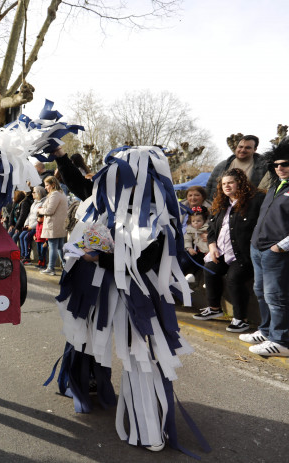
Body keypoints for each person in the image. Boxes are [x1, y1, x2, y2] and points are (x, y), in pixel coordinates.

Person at [52, 146, 198, 454]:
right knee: (81, 332)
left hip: (135, 297)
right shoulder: (108, 200)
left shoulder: (159, 215)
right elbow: (82, 186)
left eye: (120, 176)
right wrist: (61, 156)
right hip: (98, 289)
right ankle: (81, 382)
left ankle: (149, 428)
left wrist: (98, 259)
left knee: (138, 354)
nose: (113, 182)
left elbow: (144, 263)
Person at [243, 135, 289, 356]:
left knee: (277, 296)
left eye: (286, 163)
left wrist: (281, 247)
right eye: (276, 164)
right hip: (259, 248)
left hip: (280, 252)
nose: (279, 167)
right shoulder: (275, 185)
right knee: (261, 292)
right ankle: (266, 331)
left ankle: (281, 342)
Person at [192, 169, 263, 334]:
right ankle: (215, 308)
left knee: (234, 278)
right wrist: (212, 245)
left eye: (230, 182)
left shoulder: (256, 201)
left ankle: (240, 319)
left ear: (240, 183)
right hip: (222, 251)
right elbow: (211, 228)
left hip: (244, 254)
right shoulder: (221, 202)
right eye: (224, 184)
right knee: (210, 269)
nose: (226, 186)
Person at [204, 135, 267, 200]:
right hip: (221, 207)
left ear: (255, 149)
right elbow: (209, 187)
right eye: (240, 147)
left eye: (247, 148)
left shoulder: (263, 168)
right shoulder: (222, 166)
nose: (243, 150)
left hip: (249, 207)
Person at [38, 176, 68, 276]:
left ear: (53, 185)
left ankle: (51, 268)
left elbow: (50, 211)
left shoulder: (54, 194)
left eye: (47, 185)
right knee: (59, 247)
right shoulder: (61, 193)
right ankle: (65, 265)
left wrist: (40, 210)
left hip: (53, 224)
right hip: (59, 224)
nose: (45, 187)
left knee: (53, 247)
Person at [181, 206, 209, 283]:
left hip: (208, 251)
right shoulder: (190, 229)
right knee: (193, 262)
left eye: (199, 221)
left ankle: (206, 281)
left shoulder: (208, 229)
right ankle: (190, 275)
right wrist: (189, 248)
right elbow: (187, 239)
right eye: (193, 221)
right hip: (197, 250)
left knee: (208, 265)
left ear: (204, 221)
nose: (196, 223)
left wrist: (209, 236)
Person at [19, 186, 46, 264]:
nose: (32, 194)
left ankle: (27, 257)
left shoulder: (43, 203)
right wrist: (26, 224)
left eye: (34, 192)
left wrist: (31, 226)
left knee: (26, 238)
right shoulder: (34, 203)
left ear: (39, 193)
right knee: (21, 236)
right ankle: (23, 255)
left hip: (35, 227)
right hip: (29, 226)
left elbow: (40, 218)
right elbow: (29, 215)